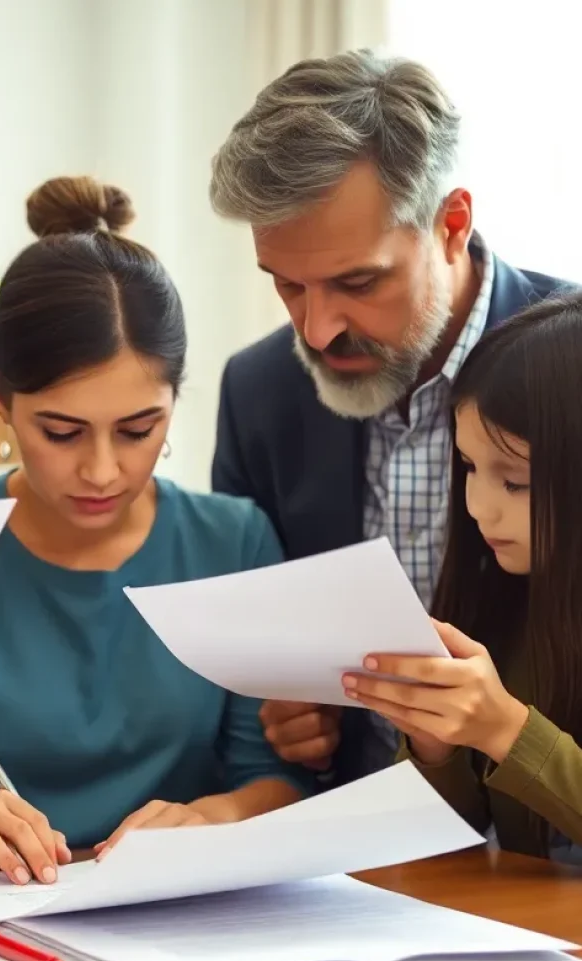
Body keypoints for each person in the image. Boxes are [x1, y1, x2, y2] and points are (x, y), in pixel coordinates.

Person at [0, 176, 313, 885]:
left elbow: (281, 775)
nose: (102, 470)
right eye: (62, 431)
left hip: (185, 918)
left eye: (139, 429)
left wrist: (212, 820)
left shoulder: (236, 542)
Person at [207, 49, 573, 787]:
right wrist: (290, 708)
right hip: (348, 854)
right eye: (286, 286)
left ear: (452, 224)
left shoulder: (566, 365)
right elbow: (258, 648)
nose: (315, 330)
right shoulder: (259, 391)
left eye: (357, 281)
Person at [342, 295, 582, 860]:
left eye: (516, 482)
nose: (478, 507)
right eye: (470, 468)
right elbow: (440, 841)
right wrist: (435, 743)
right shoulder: (503, 600)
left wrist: (507, 731)